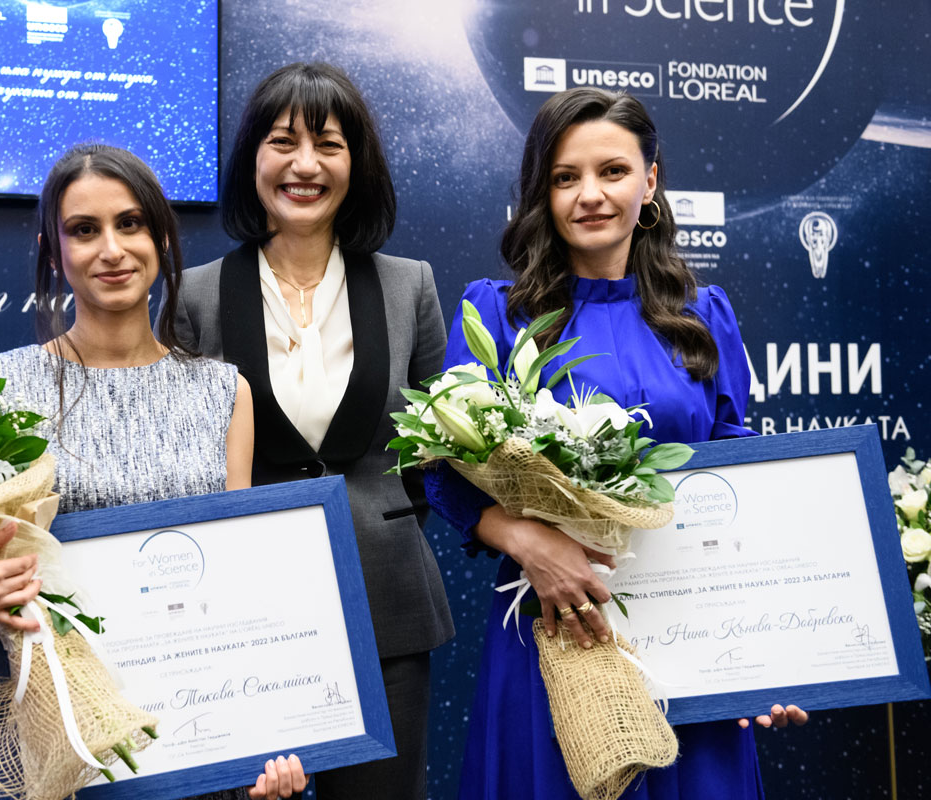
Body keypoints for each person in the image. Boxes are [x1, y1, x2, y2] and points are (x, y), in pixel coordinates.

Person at [424, 88, 807, 800]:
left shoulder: (705, 317)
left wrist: (766, 656)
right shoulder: (498, 316)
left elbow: (741, 483)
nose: (590, 195)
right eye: (565, 177)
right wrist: (532, 544)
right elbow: (443, 476)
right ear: (542, 194)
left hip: (694, 644)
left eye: (613, 171)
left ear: (650, 182)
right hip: (557, 632)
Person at [0, 143, 305, 800]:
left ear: (161, 237)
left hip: (196, 748)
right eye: (84, 230)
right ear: (54, 252)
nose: (112, 250)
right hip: (56, 752)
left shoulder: (223, 392)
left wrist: (266, 739)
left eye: (130, 224)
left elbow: (235, 583)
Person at [171, 63, 454, 800]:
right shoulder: (195, 296)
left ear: (356, 164)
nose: (305, 165)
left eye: (328, 144)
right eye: (282, 142)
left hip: (387, 603)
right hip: (244, 618)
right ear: (252, 160)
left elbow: (437, 450)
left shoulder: (410, 285)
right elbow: (186, 466)